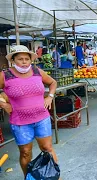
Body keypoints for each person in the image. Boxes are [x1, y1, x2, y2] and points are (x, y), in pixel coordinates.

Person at [0, 45, 58, 178]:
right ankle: (28, 177)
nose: (24, 61)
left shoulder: (37, 71)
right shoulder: (5, 75)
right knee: (26, 152)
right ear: (13, 60)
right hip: (20, 122)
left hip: (42, 119)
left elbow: (53, 82)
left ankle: (54, 175)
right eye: (20, 59)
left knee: (47, 149)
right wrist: (3, 104)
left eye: (27, 58)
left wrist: (50, 97)